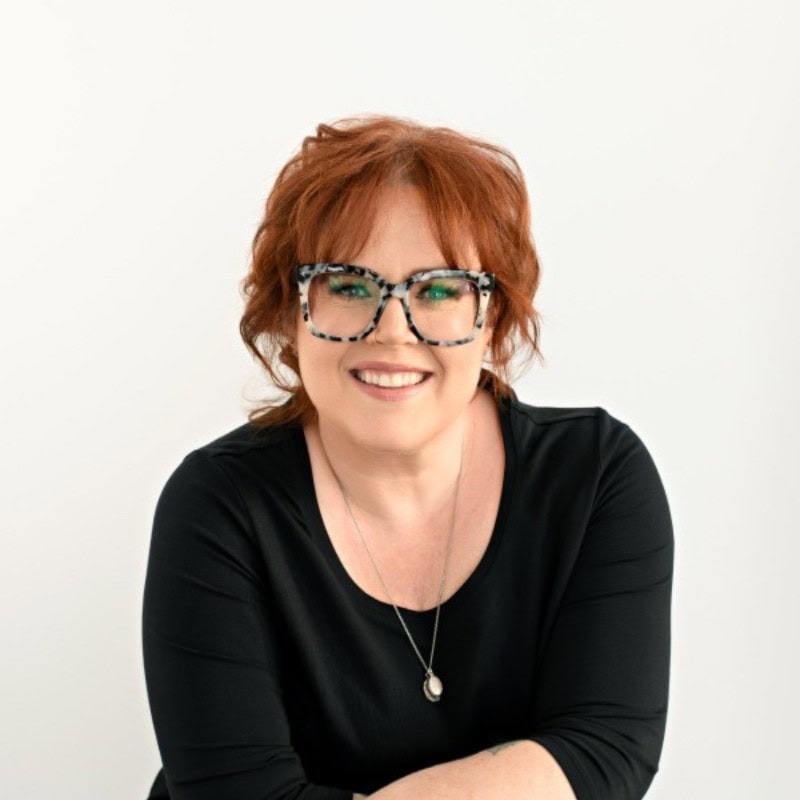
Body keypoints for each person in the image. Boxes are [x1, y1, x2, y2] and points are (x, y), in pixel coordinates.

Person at [142, 115, 674, 800]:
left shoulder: (596, 477)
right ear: (289, 314)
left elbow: (604, 753)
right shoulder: (218, 505)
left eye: (441, 289)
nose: (393, 331)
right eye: (348, 285)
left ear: (494, 320)